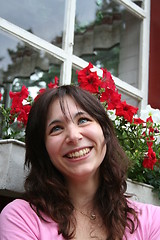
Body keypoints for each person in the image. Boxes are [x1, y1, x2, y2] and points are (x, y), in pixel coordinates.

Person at [0, 85, 160, 240]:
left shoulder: (152, 221)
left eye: (83, 120)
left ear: (105, 132)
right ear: (43, 149)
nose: (74, 136)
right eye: (56, 128)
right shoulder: (21, 219)